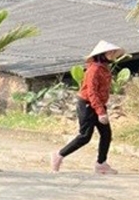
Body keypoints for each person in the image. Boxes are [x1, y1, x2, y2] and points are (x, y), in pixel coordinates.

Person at [51, 40, 124, 174]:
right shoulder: (94, 69)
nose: (114, 54)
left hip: (97, 104)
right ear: (102, 54)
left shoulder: (103, 68)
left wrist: (101, 109)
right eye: (111, 52)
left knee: (106, 134)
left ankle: (101, 163)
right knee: (85, 136)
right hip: (87, 104)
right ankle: (59, 155)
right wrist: (100, 112)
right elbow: (91, 92)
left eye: (114, 52)